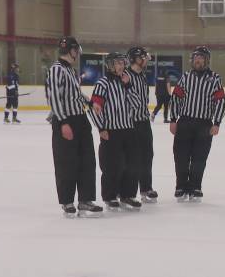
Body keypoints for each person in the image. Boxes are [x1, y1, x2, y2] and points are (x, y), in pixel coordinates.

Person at [45, 36, 103, 217]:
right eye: (76, 50)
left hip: (80, 120)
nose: (77, 53)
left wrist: (91, 101)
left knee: (87, 161)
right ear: (70, 50)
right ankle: (67, 201)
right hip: (67, 121)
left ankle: (85, 200)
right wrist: (63, 123)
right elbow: (54, 98)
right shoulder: (56, 70)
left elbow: (75, 95)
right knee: (66, 163)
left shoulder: (69, 70)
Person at [169, 46, 225, 202]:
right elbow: (176, 98)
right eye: (195, 57)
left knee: (199, 158)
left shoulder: (215, 78)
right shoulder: (185, 77)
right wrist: (173, 120)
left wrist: (217, 123)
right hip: (185, 122)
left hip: (204, 124)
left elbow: (221, 102)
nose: (198, 60)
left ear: (206, 60)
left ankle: (195, 187)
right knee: (181, 156)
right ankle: (181, 186)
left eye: (201, 57)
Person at [90, 52, 143, 210]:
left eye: (122, 63)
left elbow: (137, 104)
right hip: (111, 131)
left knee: (131, 165)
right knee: (111, 165)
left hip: (128, 129)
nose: (120, 66)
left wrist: (128, 86)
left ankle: (127, 195)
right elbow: (94, 108)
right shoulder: (103, 83)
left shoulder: (126, 81)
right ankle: (110, 196)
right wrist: (101, 128)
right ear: (110, 65)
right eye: (117, 63)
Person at [125, 46, 158, 203]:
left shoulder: (142, 77)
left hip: (144, 122)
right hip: (130, 124)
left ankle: (146, 188)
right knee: (132, 159)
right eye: (142, 58)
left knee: (147, 155)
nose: (145, 61)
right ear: (134, 59)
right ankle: (126, 191)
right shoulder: (125, 76)